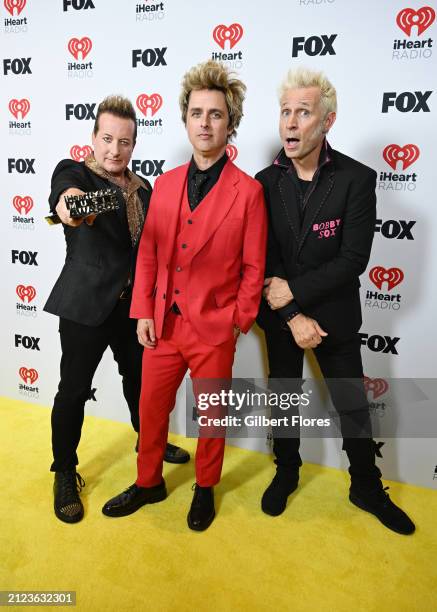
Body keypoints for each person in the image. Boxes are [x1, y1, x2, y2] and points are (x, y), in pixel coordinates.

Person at [102, 60, 267, 531]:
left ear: (230, 123)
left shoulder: (249, 192)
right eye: (197, 113)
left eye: (216, 114)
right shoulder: (167, 183)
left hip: (215, 329)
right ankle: (148, 481)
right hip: (163, 325)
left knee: (211, 418)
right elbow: (149, 256)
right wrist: (143, 312)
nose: (205, 122)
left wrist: (238, 321)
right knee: (151, 411)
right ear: (185, 119)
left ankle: (206, 486)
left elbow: (255, 266)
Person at [255, 68, 415, 535]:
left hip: (336, 318)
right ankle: (287, 471)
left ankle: (365, 485)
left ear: (327, 121)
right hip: (282, 318)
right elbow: (265, 260)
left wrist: (298, 297)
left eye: (303, 112)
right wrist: (291, 313)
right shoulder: (264, 182)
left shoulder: (357, 180)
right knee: (283, 398)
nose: (290, 122)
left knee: (352, 406)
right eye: (285, 112)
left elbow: (353, 260)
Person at [45, 95, 189, 524]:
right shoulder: (74, 172)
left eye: (124, 142)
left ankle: (150, 443)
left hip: (134, 311)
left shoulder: (144, 187)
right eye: (106, 139)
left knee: (142, 386)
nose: (114, 149)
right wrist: (72, 206)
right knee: (72, 391)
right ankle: (65, 471)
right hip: (85, 307)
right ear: (93, 138)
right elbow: (66, 200)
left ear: (134, 144)